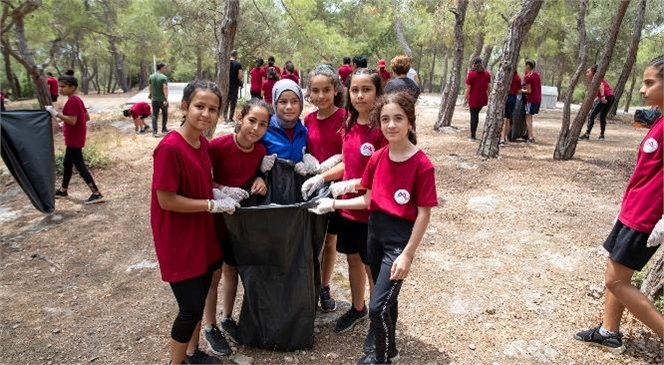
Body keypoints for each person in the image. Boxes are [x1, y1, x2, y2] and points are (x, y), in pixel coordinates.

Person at [312, 91, 438, 365]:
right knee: (386, 301)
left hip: (397, 241)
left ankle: (380, 357)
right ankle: (388, 347)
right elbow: (368, 198)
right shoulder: (378, 157)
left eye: (398, 119)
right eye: (385, 120)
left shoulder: (422, 165)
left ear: (410, 123)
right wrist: (332, 203)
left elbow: (424, 214)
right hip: (374, 234)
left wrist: (407, 254)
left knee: (378, 304)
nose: (391, 125)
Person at [574, 55, 664, 354]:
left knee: (615, 281)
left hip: (646, 216)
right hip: (633, 210)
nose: (642, 89)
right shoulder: (660, 118)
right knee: (616, 273)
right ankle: (608, 332)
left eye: (650, 83)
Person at [151, 80, 240, 365]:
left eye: (213, 109)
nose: (206, 114)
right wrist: (212, 204)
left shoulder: (202, 143)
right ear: (185, 106)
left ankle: (192, 353)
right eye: (199, 106)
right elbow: (167, 200)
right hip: (179, 240)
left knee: (200, 299)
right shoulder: (169, 148)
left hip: (203, 235)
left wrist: (220, 190)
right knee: (189, 308)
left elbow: (200, 182)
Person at [304, 68, 386, 353]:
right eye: (356, 90)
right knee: (353, 260)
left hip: (370, 210)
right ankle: (358, 307)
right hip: (348, 207)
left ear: (378, 92)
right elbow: (348, 164)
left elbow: (381, 174)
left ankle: (380, 325)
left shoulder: (381, 128)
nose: (360, 95)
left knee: (372, 267)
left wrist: (354, 184)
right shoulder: (350, 123)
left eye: (367, 89)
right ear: (348, 92)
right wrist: (322, 177)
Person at [202, 98, 273, 355]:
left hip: (239, 225)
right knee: (213, 276)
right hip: (214, 220)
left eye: (262, 124)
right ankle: (209, 327)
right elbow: (203, 180)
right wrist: (222, 190)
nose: (255, 128)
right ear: (240, 117)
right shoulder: (217, 146)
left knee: (232, 271)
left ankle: (226, 317)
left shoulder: (260, 152)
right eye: (251, 120)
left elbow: (258, 174)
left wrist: (259, 179)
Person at [297, 65, 347, 313]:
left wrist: (334, 163)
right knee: (309, 240)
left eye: (326, 90)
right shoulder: (308, 120)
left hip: (337, 189)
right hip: (312, 188)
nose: (321, 96)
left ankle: (324, 286)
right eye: (315, 91)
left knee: (329, 241)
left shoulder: (345, 117)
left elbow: (350, 155)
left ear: (335, 89)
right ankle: (307, 285)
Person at [48, 71, 105, 204]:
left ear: (72, 87)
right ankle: (63, 190)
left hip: (73, 139)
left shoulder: (72, 101)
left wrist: (56, 114)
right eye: (60, 86)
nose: (60, 89)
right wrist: (65, 123)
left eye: (63, 87)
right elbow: (85, 118)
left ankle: (96, 193)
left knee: (79, 165)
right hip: (75, 137)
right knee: (67, 163)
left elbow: (73, 121)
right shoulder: (77, 99)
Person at [260, 79, 308, 164]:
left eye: (294, 101)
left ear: (301, 104)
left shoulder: (304, 132)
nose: (289, 107)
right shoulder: (264, 129)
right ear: (275, 104)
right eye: (283, 102)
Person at [579, 65, 616, 141]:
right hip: (611, 97)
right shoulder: (595, 80)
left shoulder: (596, 79)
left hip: (607, 97)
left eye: (588, 72)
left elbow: (601, 85)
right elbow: (596, 94)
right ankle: (602, 135)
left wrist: (602, 97)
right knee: (602, 116)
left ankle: (587, 134)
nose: (586, 74)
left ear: (593, 73)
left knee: (591, 115)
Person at [463, 57, 491, 141]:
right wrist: (489, 97)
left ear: (473, 64)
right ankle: (473, 134)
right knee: (476, 115)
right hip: (482, 98)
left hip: (474, 98)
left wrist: (465, 99)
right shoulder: (487, 73)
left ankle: (472, 135)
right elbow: (489, 87)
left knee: (474, 116)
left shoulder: (471, 74)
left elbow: (468, 89)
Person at [499, 70, 521, 146]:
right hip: (513, 99)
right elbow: (519, 90)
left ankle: (502, 139)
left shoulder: (505, 76)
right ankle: (504, 136)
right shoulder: (517, 78)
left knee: (505, 119)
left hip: (506, 97)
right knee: (508, 119)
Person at [521, 59, 541, 143]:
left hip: (530, 100)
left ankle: (530, 137)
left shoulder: (528, 76)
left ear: (528, 66)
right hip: (537, 99)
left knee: (528, 119)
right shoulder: (537, 75)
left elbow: (529, 91)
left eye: (525, 65)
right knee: (530, 118)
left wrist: (520, 90)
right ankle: (528, 134)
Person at [148, 62, 169, 137]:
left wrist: (150, 94)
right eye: (164, 67)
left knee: (154, 115)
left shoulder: (151, 76)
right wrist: (166, 98)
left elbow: (150, 86)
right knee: (165, 114)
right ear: (161, 68)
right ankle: (164, 128)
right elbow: (165, 88)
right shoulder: (163, 77)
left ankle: (154, 132)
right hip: (162, 100)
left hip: (154, 100)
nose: (165, 69)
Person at [225, 50, 244, 123]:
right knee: (233, 101)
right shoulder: (238, 64)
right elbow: (240, 75)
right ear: (236, 55)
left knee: (226, 101)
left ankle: (224, 117)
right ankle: (230, 118)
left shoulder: (226, 63)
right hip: (234, 84)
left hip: (226, 84)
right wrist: (240, 81)